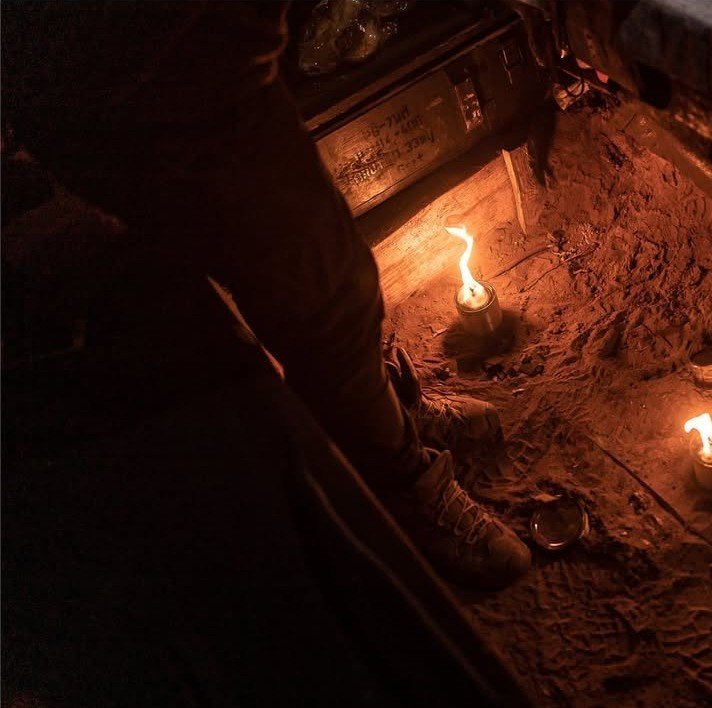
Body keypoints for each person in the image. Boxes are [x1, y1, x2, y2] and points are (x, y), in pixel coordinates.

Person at [1, 2, 531, 591]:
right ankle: (396, 478)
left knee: (325, 265)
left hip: (205, 66)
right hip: (154, 85)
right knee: (326, 296)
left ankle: (384, 412)